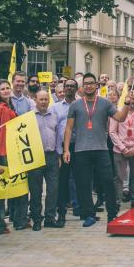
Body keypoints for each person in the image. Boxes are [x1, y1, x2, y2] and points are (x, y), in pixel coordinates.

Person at [62, 72, 130, 227]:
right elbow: (68, 128)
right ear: (82, 87)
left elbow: (120, 118)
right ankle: (89, 215)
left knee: (107, 181)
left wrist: (126, 105)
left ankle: (112, 214)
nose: (89, 86)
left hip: (101, 149)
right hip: (81, 150)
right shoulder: (75, 105)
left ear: (96, 85)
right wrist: (66, 150)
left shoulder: (105, 103)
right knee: (83, 184)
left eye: (91, 83)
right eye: (86, 83)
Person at [0, 80, 28, 233]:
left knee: (17, 186)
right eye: (3, 89)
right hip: (3, 152)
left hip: (13, 150)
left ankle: (18, 220)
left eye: (8, 88)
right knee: (2, 189)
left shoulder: (9, 106)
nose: (6, 91)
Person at [29, 89, 61, 229]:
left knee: (53, 189)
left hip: (52, 156)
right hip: (35, 157)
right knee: (36, 190)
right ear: (35, 100)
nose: (43, 102)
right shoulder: (29, 117)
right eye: (40, 99)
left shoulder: (54, 115)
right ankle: (36, 219)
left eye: (45, 99)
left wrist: (59, 154)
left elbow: (59, 135)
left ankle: (50, 218)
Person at [54, 78, 77, 227]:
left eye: (72, 86)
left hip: (79, 145)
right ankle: (61, 212)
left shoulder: (81, 104)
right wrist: (59, 152)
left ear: (76, 88)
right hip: (62, 146)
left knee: (81, 179)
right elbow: (54, 129)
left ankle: (82, 209)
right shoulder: (55, 107)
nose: (69, 88)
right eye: (66, 86)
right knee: (62, 181)